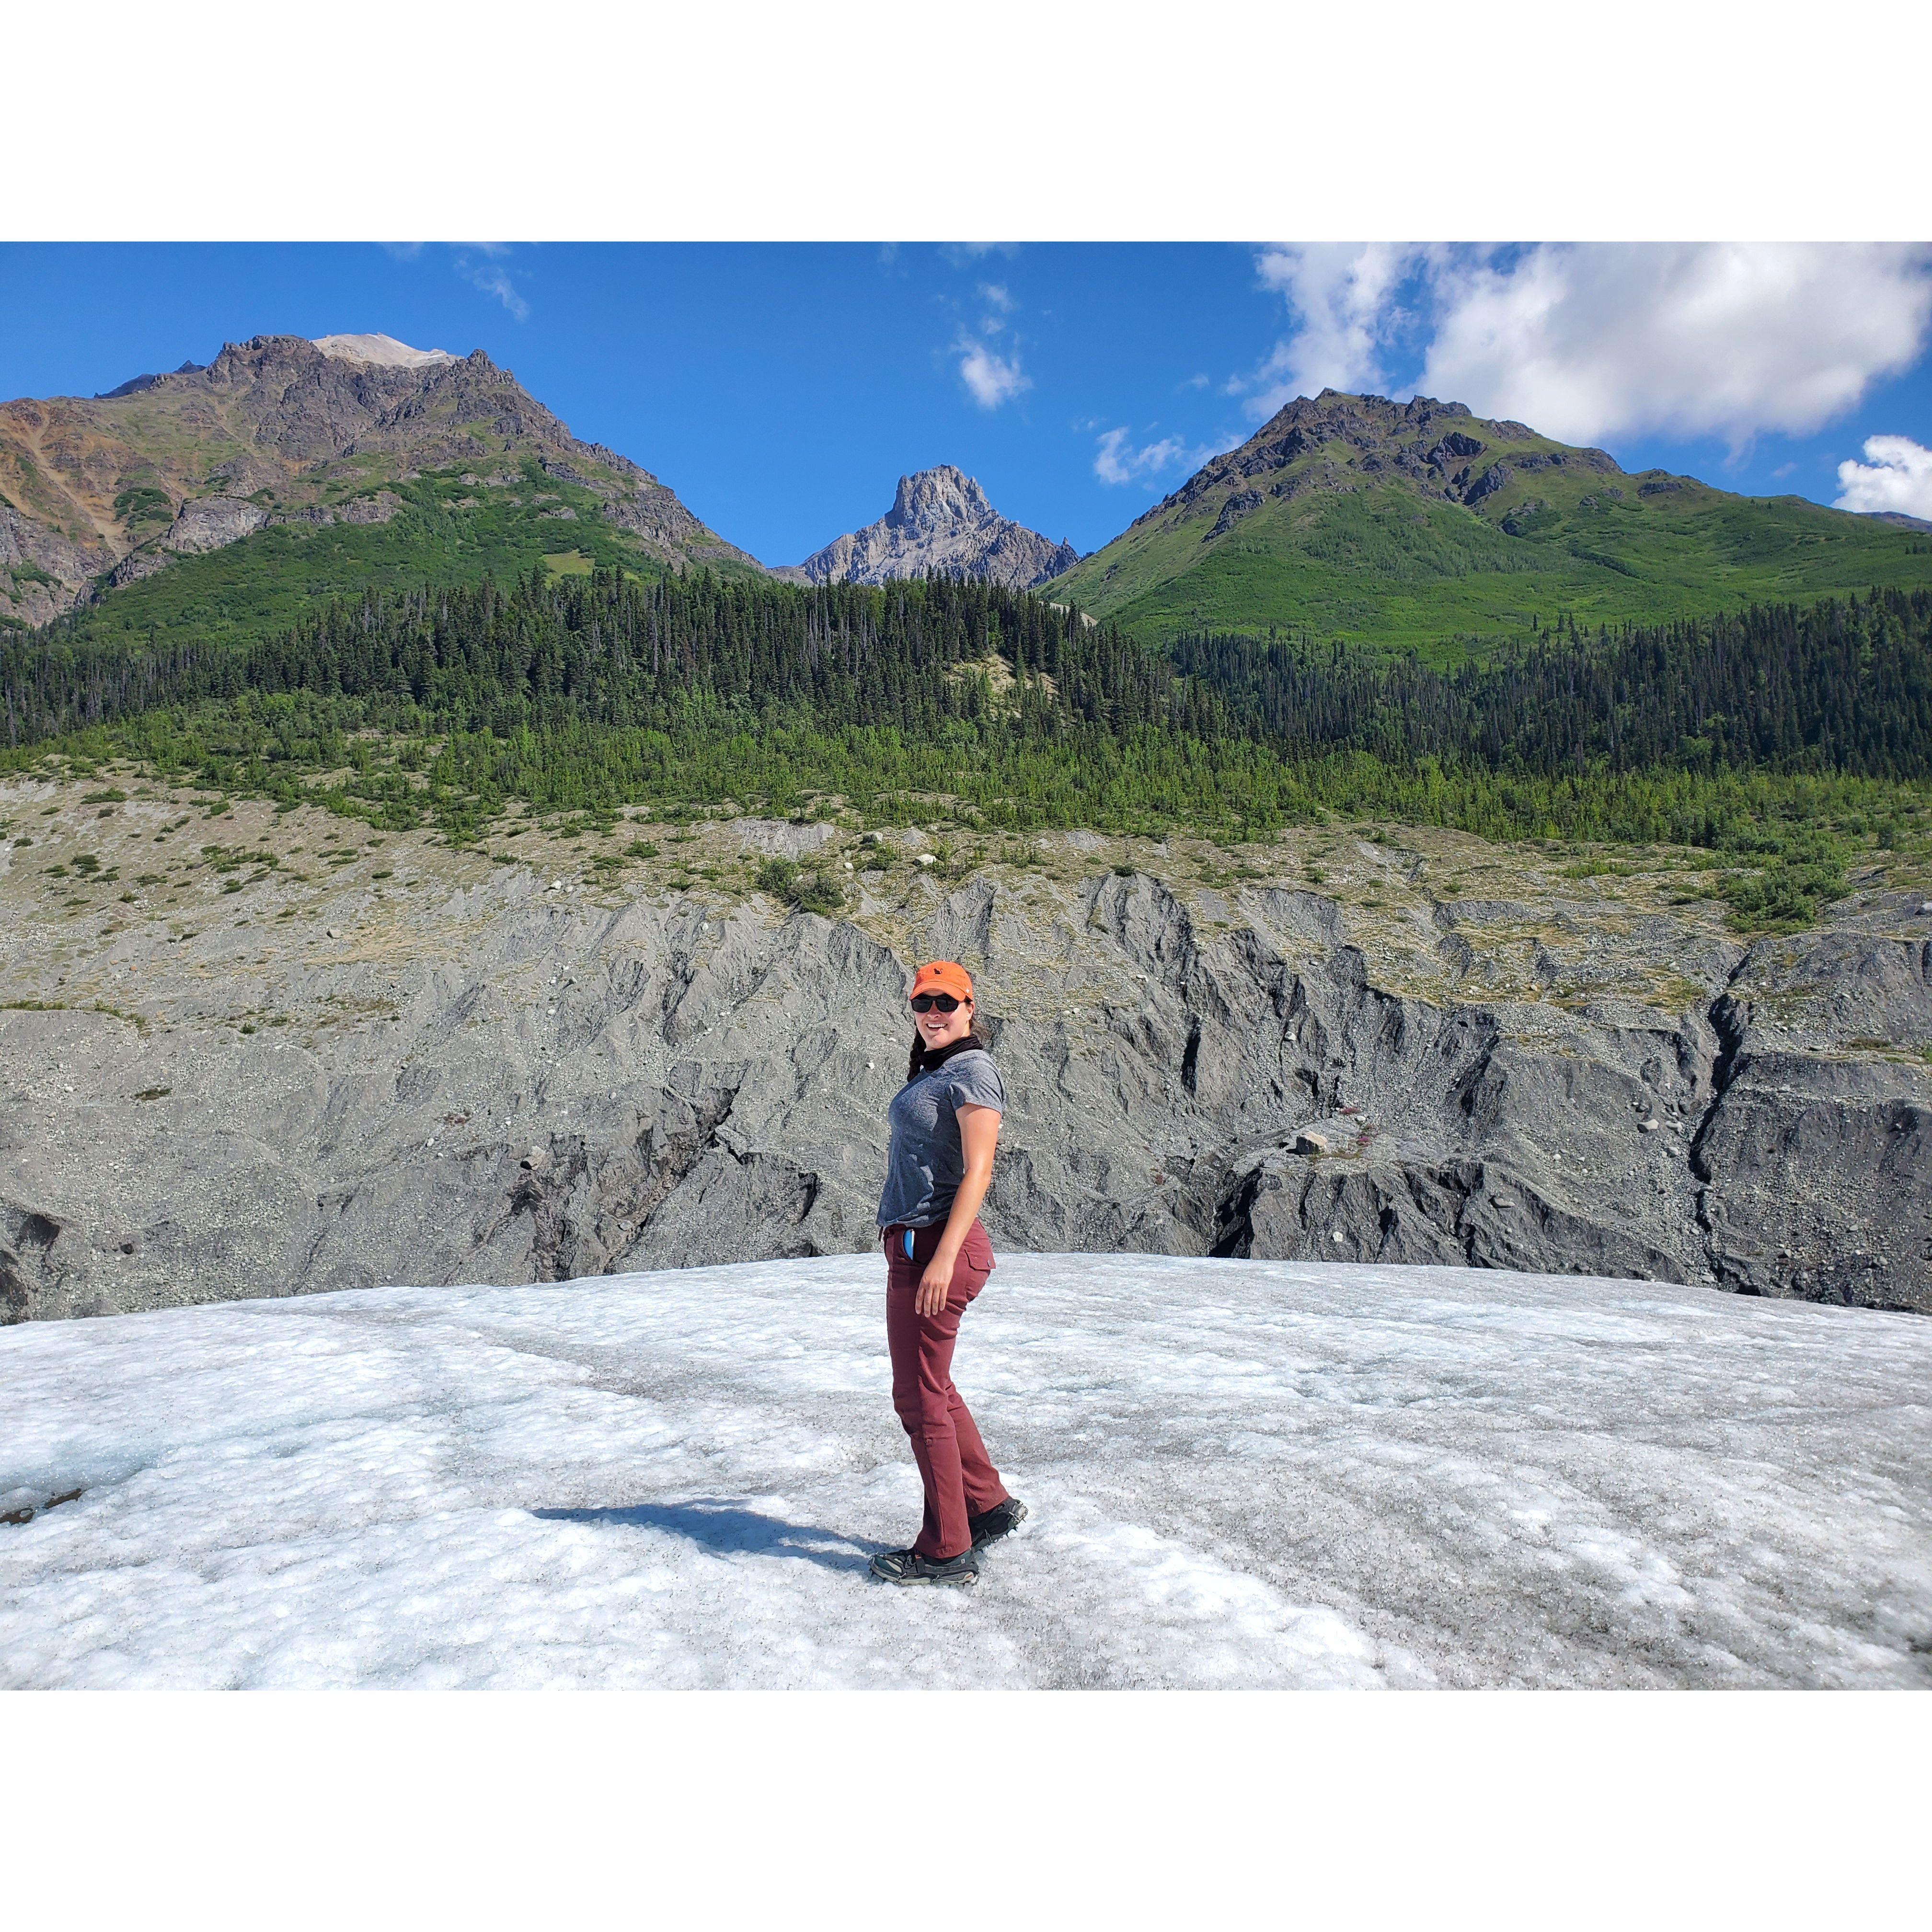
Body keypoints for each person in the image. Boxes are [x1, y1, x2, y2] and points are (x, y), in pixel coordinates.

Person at [870, 960, 1027, 1587]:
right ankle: (986, 1504)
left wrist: (939, 1257)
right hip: (917, 1246)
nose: (932, 1013)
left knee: (918, 1398)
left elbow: (979, 1170)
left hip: (937, 1249)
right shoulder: (938, 1070)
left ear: (969, 1007)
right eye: (922, 1003)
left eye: (945, 1002)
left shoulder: (973, 1070)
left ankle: (945, 1548)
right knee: (935, 1386)